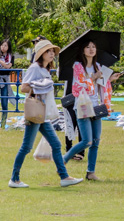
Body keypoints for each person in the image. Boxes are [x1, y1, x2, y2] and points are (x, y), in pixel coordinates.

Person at [11, 39, 82, 188]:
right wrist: (39, 86)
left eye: (52, 52)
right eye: (48, 51)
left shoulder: (45, 69)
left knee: (56, 145)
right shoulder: (34, 68)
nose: (52, 54)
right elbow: (24, 87)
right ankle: (14, 178)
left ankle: (64, 177)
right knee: (26, 147)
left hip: (43, 114)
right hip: (36, 112)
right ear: (41, 53)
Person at [63, 40, 115, 179]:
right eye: (88, 47)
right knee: (87, 141)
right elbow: (78, 86)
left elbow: (101, 85)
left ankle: (90, 172)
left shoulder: (98, 66)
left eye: (93, 46)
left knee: (96, 140)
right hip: (82, 106)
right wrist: (93, 77)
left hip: (95, 106)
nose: (91, 49)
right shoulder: (78, 66)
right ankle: (63, 160)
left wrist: (110, 79)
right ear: (83, 50)